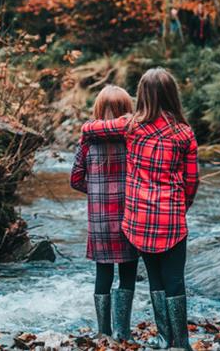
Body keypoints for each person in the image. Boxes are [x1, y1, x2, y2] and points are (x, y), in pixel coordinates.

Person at [80, 68, 199, 351]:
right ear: (173, 95)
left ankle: (162, 338)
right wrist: (181, 207)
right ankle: (180, 343)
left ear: (142, 95)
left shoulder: (130, 125)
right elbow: (191, 182)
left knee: (156, 279)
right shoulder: (185, 133)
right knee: (174, 279)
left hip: (140, 220)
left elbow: (89, 128)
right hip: (171, 218)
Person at [70, 85, 138, 341]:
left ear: (98, 110)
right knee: (128, 273)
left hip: (99, 221)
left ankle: (103, 331)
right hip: (130, 217)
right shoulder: (132, 140)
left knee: (103, 273)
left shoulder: (87, 142)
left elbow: (75, 179)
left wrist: (97, 192)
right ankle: (123, 332)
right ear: (127, 110)